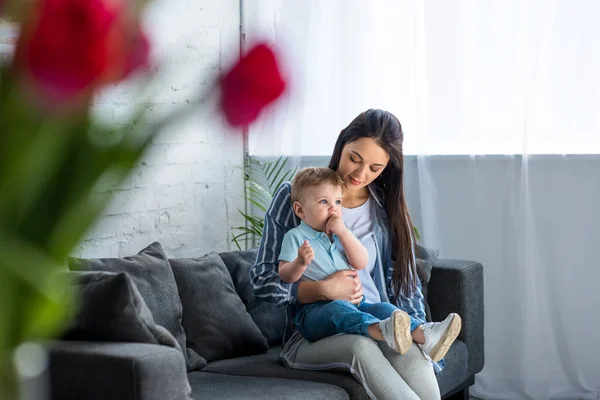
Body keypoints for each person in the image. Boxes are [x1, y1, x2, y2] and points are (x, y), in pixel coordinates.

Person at [251, 109, 458, 399]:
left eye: (375, 168)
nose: (361, 175)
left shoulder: (386, 210)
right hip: (314, 330)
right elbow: (262, 281)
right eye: (354, 159)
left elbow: (406, 287)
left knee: (409, 352)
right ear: (341, 146)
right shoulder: (297, 196)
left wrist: (419, 340)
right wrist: (319, 290)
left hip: (380, 322)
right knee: (360, 346)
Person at [279, 167, 461, 359]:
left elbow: (360, 261)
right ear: (300, 210)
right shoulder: (296, 237)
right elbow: (285, 274)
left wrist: (344, 233)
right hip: (315, 311)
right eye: (324, 202)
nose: (333, 208)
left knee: (385, 308)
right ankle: (381, 331)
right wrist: (300, 262)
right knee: (338, 310)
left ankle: (425, 336)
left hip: (358, 302)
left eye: (338, 201)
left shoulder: (341, 233)